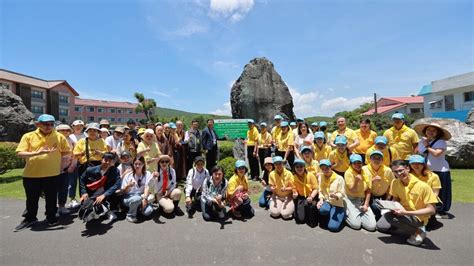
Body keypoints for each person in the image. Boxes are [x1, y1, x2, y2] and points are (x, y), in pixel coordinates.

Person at [14, 114, 71, 231]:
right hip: (31, 174)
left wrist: (58, 159)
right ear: (38, 124)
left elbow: (66, 152)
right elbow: (19, 153)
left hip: (52, 174)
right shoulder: (28, 136)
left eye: (51, 124)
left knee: (51, 199)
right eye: (45, 124)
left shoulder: (59, 136)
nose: (49, 126)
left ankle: (51, 218)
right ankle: (30, 219)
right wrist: (37, 153)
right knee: (31, 199)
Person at [376, 160, 438, 246]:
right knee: (381, 226)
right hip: (402, 212)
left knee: (390, 218)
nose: (399, 173)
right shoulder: (395, 182)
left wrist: (405, 213)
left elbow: (432, 210)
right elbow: (395, 198)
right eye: (396, 172)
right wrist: (392, 206)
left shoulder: (423, 186)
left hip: (417, 217)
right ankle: (407, 229)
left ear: (408, 169)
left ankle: (419, 231)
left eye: (401, 170)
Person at [414, 122, 452, 218]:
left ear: (438, 132)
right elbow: (419, 152)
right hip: (428, 171)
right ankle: (431, 209)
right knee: (428, 190)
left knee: (442, 191)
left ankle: (442, 211)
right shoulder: (423, 141)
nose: (430, 132)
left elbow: (436, 153)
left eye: (433, 130)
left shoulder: (441, 142)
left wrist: (427, 145)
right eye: (428, 130)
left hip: (441, 170)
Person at [79, 152, 122, 223]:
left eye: (110, 161)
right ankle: (97, 209)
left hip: (106, 193)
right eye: (105, 160)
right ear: (101, 160)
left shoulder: (115, 171)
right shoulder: (90, 170)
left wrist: (104, 195)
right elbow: (82, 179)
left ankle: (109, 210)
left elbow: (117, 183)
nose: (107, 162)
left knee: (117, 192)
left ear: (112, 162)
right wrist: (84, 192)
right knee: (86, 216)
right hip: (92, 193)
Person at [73, 123, 109, 199]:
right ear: (87, 132)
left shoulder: (101, 141)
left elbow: (106, 155)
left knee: (97, 184)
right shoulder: (82, 141)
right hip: (84, 165)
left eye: (94, 131)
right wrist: (81, 154)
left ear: (98, 132)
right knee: (83, 184)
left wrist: (100, 153)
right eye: (90, 131)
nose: (92, 132)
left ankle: (96, 201)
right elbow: (74, 155)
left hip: (98, 165)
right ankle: (84, 202)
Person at [344, 154, 376, 232]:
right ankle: (346, 213)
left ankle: (356, 215)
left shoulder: (366, 172)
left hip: (361, 200)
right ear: (351, 164)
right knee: (356, 225)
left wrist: (366, 205)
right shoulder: (348, 173)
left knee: (372, 227)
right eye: (354, 163)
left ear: (362, 163)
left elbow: (368, 191)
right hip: (350, 199)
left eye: (359, 163)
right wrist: (356, 181)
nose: (357, 165)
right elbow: (352, 190)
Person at [362, 150, 394, 220]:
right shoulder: (364, 169)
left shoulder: (388, 170)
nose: (376, 160)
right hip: (370, 194)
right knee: (375, 207)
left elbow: (392, 185)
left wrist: (387, 199)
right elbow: (362, 186)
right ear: (370, 159)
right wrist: (372, 180)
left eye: (379, 158)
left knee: (386, 209)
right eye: (374, 158)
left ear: (382, 160)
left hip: (384, 195)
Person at [121, 156, 154, 223]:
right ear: (133, 164)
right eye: (135, 164)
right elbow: (124, 192)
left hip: (141, 196)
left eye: (140, 164)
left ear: (143, 164)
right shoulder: (128, 175)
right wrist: (128, 186)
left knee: (148, 211)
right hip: (129, 197)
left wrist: (144, 199)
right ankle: (130, 215)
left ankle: (137, 208)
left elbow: (147, 187)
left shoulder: (147, 174)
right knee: (137, 199)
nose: (137, 166)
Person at [316, 159, 346, 232]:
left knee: (333, 228)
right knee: (323, 210)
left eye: (327, 168)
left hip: (337, 204)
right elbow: (320, 190)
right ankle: (329, 215)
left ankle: (343, 215)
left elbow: (342, 193)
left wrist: (336, 196)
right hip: (327, 202)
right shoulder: (321, 177)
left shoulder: (339, 178)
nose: (325, 170)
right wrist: (321, 199)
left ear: (330, 167)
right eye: (322, 168)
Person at [56, 124, 76, 215]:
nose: (65, 132)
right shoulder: (54, 139)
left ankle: (62, 206)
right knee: (52, 190)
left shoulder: (72, 141)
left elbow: (75, 155)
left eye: (67, 130)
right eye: (62, 130)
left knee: (64, 188)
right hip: (53, 168)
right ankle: (52, 208)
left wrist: (72, 166)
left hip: (66, 168)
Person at [292, 159, 319, 227]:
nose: (299, 168)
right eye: (297, 167)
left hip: (310, 196)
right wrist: (295, 194)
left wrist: (312, 197)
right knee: (300, 220)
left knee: (312, 222)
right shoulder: (293, 178)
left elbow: (316, 188)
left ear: (304, 167)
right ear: (294, 168)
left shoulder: (310, 175)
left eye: (301, 166)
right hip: (300, 197)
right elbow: (294, 189)